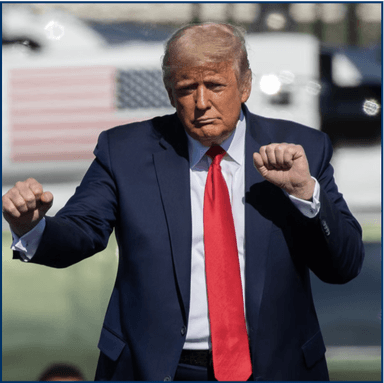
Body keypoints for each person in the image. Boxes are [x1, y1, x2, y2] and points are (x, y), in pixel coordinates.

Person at [2, 22, 364, 381]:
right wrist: (31, 227)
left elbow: (344, 265)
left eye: (215, 85)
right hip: (157, 369)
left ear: (246, 85)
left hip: (273, 368)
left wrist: (305, 194)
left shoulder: (301, 148)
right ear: (169, 92)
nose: (202, 102)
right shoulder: (125, 152)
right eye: (188, 88)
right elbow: (81, 232)